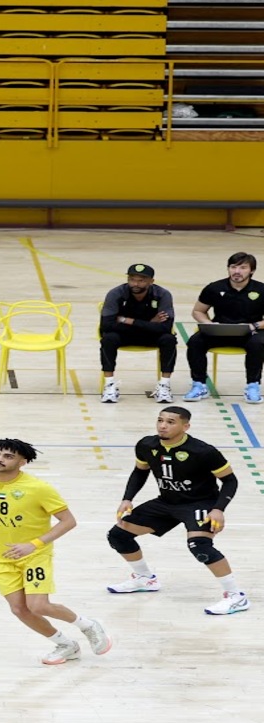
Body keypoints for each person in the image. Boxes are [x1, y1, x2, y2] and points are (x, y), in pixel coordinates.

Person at [0, 438, 110, 665]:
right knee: (19, 609)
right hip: (1, 559)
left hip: (35, 555)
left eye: (8, 456)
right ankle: (66, 645)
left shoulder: (38, 488)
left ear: (22, 462)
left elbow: (68, 521)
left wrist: (34, 544)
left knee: (38, 605)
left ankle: (88, 625)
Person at [106, 406, 248, 615]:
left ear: (185, 426)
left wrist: (218, 509)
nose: (163, 425)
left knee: (200, 546)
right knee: (118, 535)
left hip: (200, 503)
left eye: (171, 422)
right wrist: (127, 499)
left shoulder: (203, 451)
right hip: (167, 502)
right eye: (160, 420)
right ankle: (145, 578)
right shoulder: (146, 445)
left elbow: (230, 481)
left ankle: (236, 596)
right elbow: (139, 472)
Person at [183, 252, 264, 404]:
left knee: (257, 344)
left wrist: (254, 325)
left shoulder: (261, 289)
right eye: (233, 267)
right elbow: (198, 311)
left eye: (243, 267)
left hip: (250, 332)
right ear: (228, 269)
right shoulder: (214, 288)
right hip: (219, 331)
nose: (237, 271)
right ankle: (199, 384)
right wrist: (208, 324)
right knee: (195, 342)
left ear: (252, 270)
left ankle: (253, 386)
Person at [100, 263, 176, 404]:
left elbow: (166, 327)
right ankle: (109, 385)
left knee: (169, 339)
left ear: (151, 281)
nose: (136, 283)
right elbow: (106, 325)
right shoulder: (116, 293)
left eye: (141, 280)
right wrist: (151, 323)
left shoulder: (162, 295)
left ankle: (164, 385)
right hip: (125, 336)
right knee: (108, 338)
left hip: (149, 336)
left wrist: (127, 320)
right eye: (132, 279)